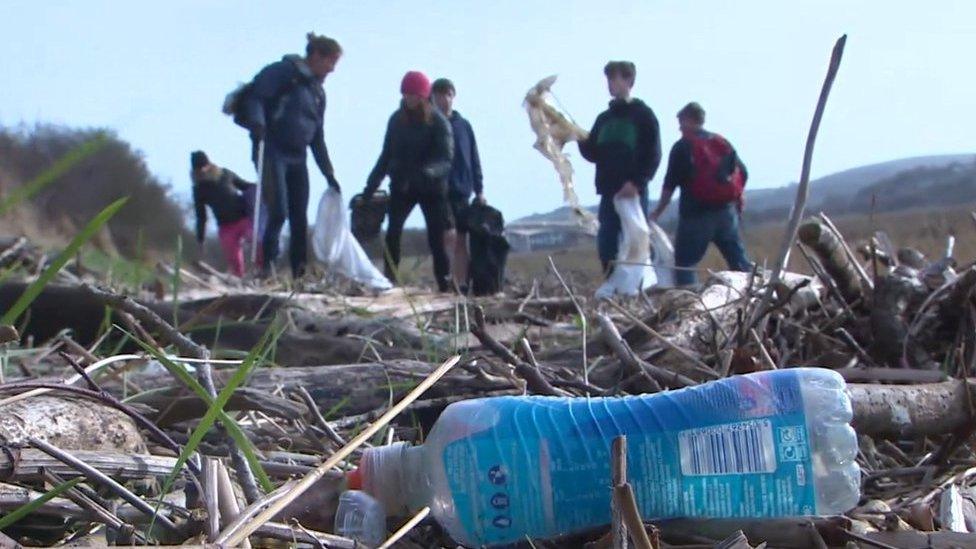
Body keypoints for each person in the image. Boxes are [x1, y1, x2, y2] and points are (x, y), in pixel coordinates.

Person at [242, 33, 342, 278]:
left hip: (298, 156)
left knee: (300, 216)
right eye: (330, 62)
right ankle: (267, 267)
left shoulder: (318, 93)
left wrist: (328, 173)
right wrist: (257, 122)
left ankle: (299, 271)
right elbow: (256, 97)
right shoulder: (283, 72)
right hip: (272, 149)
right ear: (316, 55)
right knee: (279, 211)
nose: (331, 70)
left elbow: (317, 136)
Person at [361, 71, 455, 292]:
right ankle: (389, 281)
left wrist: (427, 173)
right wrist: (371, 186)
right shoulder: (396, 120)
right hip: (403, 186)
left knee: (436, 238)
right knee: (393, 232)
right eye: (406, 94)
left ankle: (444, 285)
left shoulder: (439, 122)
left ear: (424, 96)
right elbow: (386, 155)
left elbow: (446, 159)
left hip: (432, 190)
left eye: (414, 95)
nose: (410, 99)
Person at [650, 102, 751, 286]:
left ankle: (690, 305)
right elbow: (743, 172)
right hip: (726, 213)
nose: (679, 126)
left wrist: (656, 213)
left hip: (695, 216)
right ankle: (755, 297)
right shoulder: (721, 142)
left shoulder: (682, 147)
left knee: (685, 264)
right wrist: (736, 197)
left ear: (689, 120)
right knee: (740, 264)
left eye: (681, 121)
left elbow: (669, 186)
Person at [578, 61, 662, 275]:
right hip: (609, 191)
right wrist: (579, 139)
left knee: (637, 241)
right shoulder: (604, 119)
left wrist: (637, 182)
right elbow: (594, 153)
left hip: (632, 191)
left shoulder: (643, 115)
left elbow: (653, 153)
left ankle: (642, 285)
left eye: (616, 78)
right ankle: (612, 282)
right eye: (609, 79)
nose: (611, 84)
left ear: (629, 81)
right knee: (607, 242)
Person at [431, 77, 484, 293]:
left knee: (462, 239)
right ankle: (447, 281)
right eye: (438, 95)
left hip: (462, 189)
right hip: (439, 190)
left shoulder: (464, 125)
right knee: (447, 237)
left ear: (453, 96)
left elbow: (473, 157)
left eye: (447, 94)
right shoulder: (430, 124)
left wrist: (479, 189)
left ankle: (461, 283)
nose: (443, 99)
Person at [190, 151, 255, 278]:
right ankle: (238, 279)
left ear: (208, 164)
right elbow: (201, 216)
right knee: (233, 257)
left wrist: (260, 188)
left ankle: (261, 271)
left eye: (204, 166)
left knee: (257, 242)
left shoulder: (226, 174)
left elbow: (245, 186)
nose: (202, 170)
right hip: (225, 226)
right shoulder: (199, 189)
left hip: (244, 218)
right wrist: (200, 239)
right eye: (198, 169)